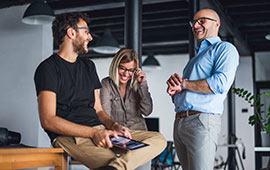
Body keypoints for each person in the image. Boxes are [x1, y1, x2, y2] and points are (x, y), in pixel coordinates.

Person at [34, 12, 166, 170]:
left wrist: (114, 126)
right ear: (71, 32)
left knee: (158, 140)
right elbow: (48, 120)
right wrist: (92, 133)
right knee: (109, 161)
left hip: (102, 130)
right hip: (72, 136)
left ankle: (116, 168)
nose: (90, 37)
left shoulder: (88, 66)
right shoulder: (47, 68)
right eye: (86, 32)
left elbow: (99, 111)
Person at [166, 9, 239, 170]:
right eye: (194, 22)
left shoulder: (225, 49)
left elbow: (220, 84)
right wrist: (175, 91)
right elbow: (190, 92)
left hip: (200, 121)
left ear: (217, 24)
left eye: (202, 21)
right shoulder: (196, 57)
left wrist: (184, 85)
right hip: (180, 121)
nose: (196, 25)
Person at [100, 48, 152, 131]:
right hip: (117, 132)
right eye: (123, 68)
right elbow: (106, 115)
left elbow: (147, 111)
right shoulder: (106, 84)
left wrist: (142, 84)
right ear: (115, 66)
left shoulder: (138, 82)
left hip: (139, 131)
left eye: (131, 70)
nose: (126, 74)